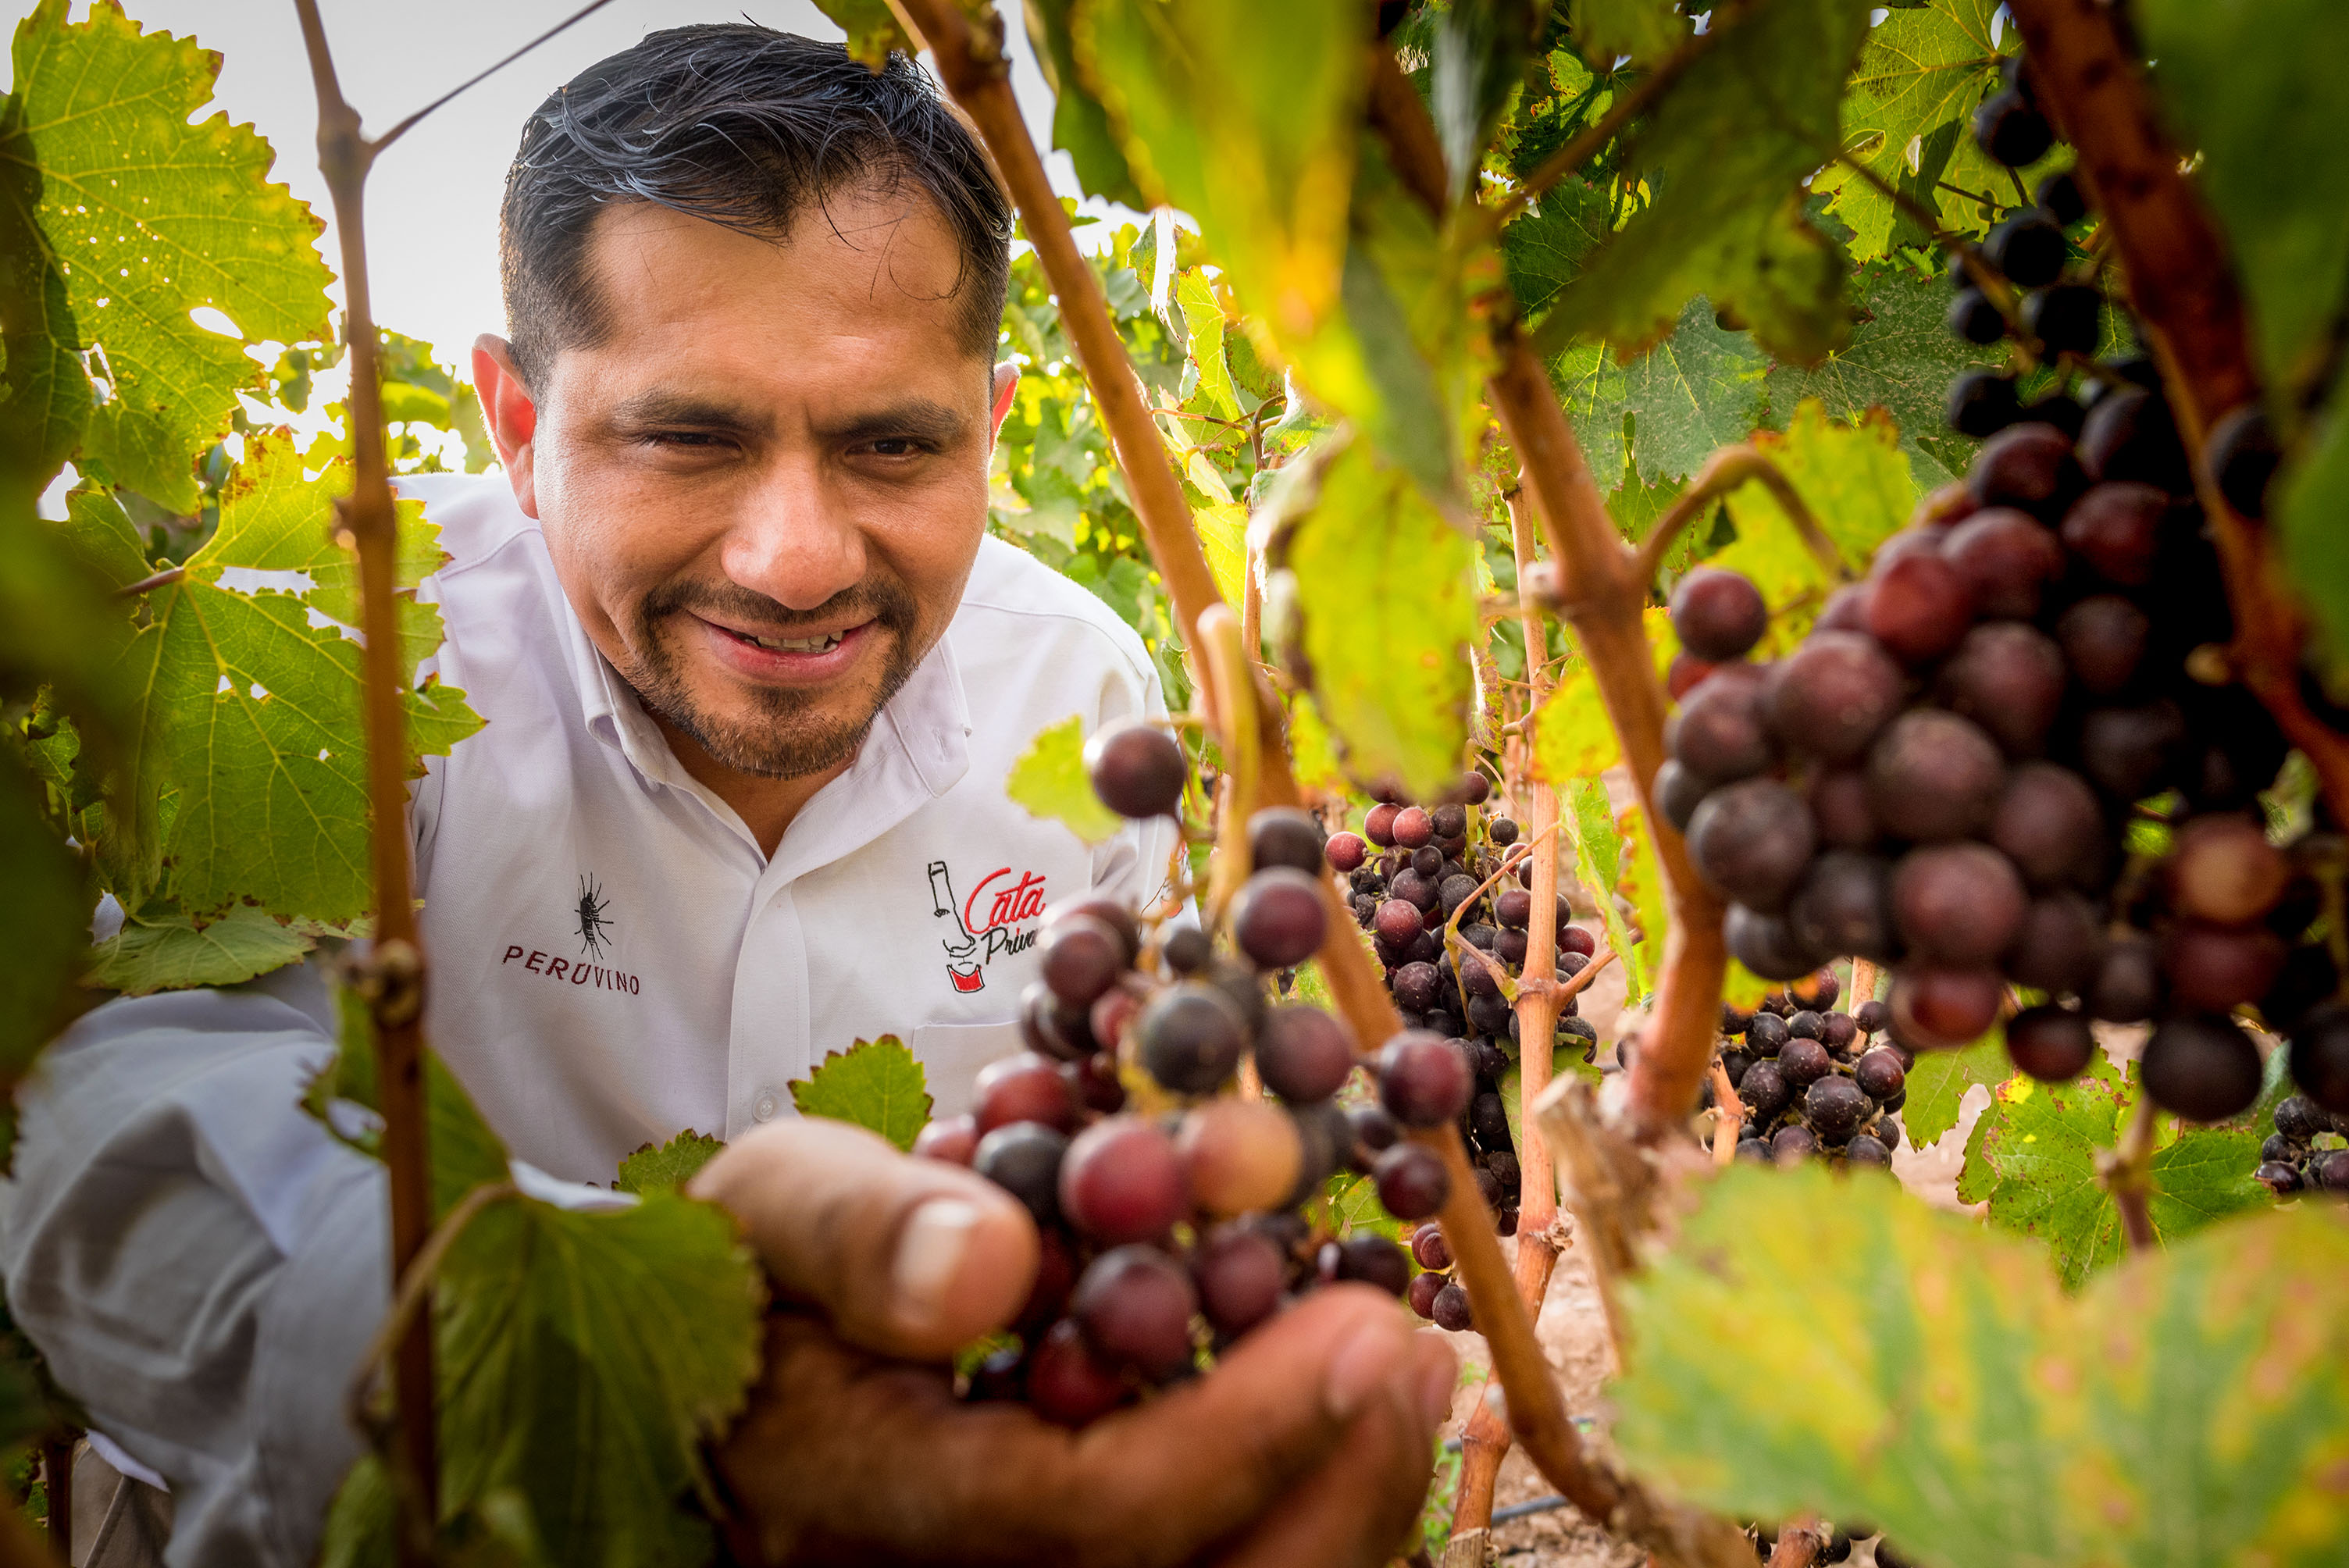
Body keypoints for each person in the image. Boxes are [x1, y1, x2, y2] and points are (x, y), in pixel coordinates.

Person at [0, 24, 1451, 1568]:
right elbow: (113, 1123)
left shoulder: (1074, 694)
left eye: (892, 442)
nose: (795, 559)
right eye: (688, 436)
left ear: (994, 428)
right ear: (518, 430)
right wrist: (593, 1388)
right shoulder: (341, 653)